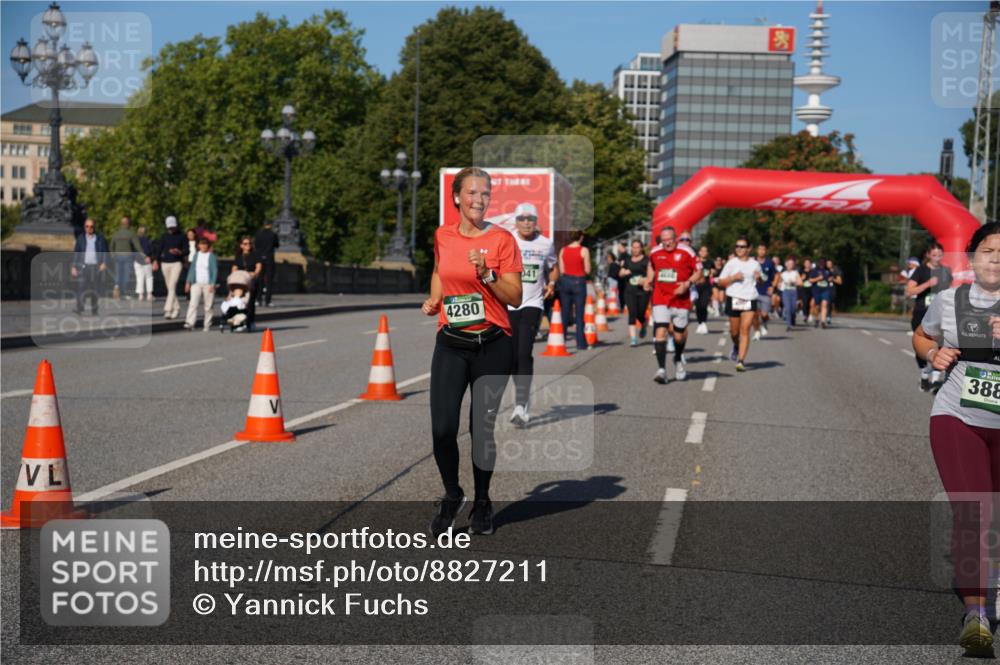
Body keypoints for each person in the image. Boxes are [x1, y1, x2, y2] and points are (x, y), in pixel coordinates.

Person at [911, 222, 1000, 658]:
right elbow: (922, 335)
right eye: (989, 250)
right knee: (973, 513)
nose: (996, 259)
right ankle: (976, 615)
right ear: (971, 257)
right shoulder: (949, 300)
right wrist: (933, 353)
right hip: (958, 417)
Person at [421, 167, 522, 537]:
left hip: (492, 345)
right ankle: (453, 494)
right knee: (442, 429)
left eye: (485, 193)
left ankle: (482, 501)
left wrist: (488, 274)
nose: (479, 199)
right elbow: (439, 270)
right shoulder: (443, 235)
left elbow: (515, 297)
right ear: (456, 197)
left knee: (480, 429)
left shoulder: (502, 240)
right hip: (451, 343)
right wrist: (435, 299)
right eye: (472, 193)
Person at [507, 203, 558, 428]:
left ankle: (520, 404)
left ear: (536, 221)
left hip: (533, 303)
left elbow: (554, 267)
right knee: (511, 357)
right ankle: (522, 398)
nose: (526, 222)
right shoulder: (508, 240)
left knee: (523, 353)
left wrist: (552, 283)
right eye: (522, 219)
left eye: (530, 219)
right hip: (509, 303)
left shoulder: (546, 243)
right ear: (516, 221)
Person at [646, 226, 701, 383]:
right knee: (660, 332)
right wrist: (649, 279)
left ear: (675, 238)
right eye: (664, 240)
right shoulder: (655, 252)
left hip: (680, 299)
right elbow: (651, 266)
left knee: (679, 336)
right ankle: (661, 370)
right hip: (661, 297)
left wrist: (687, 284)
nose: (667, 243)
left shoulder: (687, 251)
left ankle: (677, 359)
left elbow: (698, 272)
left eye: (669, 240)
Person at [907, 242, 954, 392]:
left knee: (942, 344)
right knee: (921, 343)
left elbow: (950, 290)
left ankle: (935, 378)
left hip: (941, 315)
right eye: (934, 255)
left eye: (939, 255)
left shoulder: (946, 271)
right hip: (922, 312)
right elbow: (909, 291)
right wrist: (928, 284)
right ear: (928, 255)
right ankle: (924, 373)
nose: (937, 258)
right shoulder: (920, 270)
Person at [718, 236, 762, 372]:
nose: (739, 249)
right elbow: (720, 282)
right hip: (734, 297)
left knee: (745, 329)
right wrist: (733, 277)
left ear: (749, 249)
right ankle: (736, 346)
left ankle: (741, 361)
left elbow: (760, 281)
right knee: (734, 332)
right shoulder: (731, 263)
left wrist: (759, 278)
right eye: (737, 246)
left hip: (749, 298)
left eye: (742, 246)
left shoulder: (755, 264)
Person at [558, 229, 591, 351]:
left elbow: (561, 269)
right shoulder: (584, 250)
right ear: (581, 237)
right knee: (579, 314)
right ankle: (581, 343)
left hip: (565, 281)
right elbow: (587, 269)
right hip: (579, 281)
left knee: (565, 313)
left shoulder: (563, 250)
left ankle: (561, 340)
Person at [71, 218, 107, 315]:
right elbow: (77, 253)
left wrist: (104, 263)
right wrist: (74, 266)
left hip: (96, 267)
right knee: (81, 288)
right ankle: (80, 308)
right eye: (87, 226)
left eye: (91, 226)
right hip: (84, 267)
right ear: (84, 227)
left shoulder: (100, 238)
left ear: (94, 227)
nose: (89, 228)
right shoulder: (81, 238)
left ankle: (94, 309)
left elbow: (104, 251)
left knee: (94, 289)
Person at [154, 216, 187, 319]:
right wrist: (155, 261)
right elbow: (159, 249)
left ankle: (167, 309)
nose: (171, 229)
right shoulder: (164, 236)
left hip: (176, 263)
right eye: (169, 227)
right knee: (169, 287)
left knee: (172, 285)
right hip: (165, 264)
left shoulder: (182, 236)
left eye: (173, 227)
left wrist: (179, 252)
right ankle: (176, 308)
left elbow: (187, 250)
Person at [619, 239, 650, 347]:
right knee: (632, 313)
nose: (635, 249)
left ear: (641, 248)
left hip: (643, 291)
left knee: (640, 313)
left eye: (637, 247)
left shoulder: (647, 260)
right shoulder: (627, 260)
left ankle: (644, 324)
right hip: (629, 291)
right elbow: (620, 273)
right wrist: (624, 272)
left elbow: (651, 275)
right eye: (633, 247)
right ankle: (633, 338)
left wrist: (645, 280)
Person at [184, 237, 217, 331]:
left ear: (208, 246)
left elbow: (214, 270)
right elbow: (192, 269)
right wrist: (188, 282)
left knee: (208, 305)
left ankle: (207, 324)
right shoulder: (196, 255)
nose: (203, 246)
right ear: (198, 245)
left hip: (208, 283)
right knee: (193, 303)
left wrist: (213, 283)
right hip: (196, 283)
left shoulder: (211, 256)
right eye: (201, 244)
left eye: (205, 244)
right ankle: (190, 322)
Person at [108, 216, 142, 300]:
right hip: (128, 256)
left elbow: (111, 246)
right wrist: (144, 254)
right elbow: (137, 246)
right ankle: (124, 292)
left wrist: (113, 255)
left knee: (118, 274)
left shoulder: (116, 234)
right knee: (126, 275)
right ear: (128, 224)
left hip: (117, 256)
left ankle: (117, 287)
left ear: (121, 224)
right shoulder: (131, 234)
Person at [233, 236, 263, 330]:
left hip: (251, 280)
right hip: (240, 282)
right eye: (245, 244)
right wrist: (234, 275)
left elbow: (258, 267)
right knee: (239, 302)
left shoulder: (255, 254)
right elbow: (234, 268)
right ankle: (239, 322)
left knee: (250, 303)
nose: (248, 245)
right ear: (241, 245)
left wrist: (255, 273)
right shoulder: (238, 256)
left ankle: (250, 321)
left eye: (249, 243)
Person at [753, 243, 777, 340]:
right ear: (757, 250)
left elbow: (777, 275)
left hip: (765, 292)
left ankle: (764, 323)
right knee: (754, 314)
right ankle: (757, 331)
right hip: (753, 292)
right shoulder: (752, 262)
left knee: (764, 314)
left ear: (766, 251)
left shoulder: (770, 263)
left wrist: (773, 287)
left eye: (763, 249)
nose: (761, 251)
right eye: (760, 249)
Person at [254, 220, 279, 307]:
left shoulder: (258, 234)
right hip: (269, 258)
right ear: (270, 225)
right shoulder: (273, 234)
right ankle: (268, 301)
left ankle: (258, 299)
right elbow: (276, 245)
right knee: (269, 280)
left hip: (260, 258)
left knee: (259, 279)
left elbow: (256, 245)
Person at [775, 256, 803, 331]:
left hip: (793, 292)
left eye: (792, 264)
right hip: (786, 292)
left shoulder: (795, 273)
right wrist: (779, 285)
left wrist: (793, 282)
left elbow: (800, 283)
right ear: (786, 264)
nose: (790, 265)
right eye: (789, 263)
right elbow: (778, 283)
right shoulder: (783, 274)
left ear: (794, 265)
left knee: (793, 309)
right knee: (787, 308)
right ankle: (789, 325)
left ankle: (793, 318)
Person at [808, 258, 834, 328]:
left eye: (824, 262)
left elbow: (831, 278)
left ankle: (823, 321)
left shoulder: (828, 271)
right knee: (817, 306)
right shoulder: (815, 270)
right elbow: (810, 280)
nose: (822, 264)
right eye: (821, 262)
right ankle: (817, 319)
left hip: (825, 290)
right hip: (816, 291)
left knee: (824, 305)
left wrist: (831, 279)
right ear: (819, 263)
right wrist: (818, 278)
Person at [694, 245, 714, 335]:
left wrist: (712, 273)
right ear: (699, 252)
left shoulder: (710, 262)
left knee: (704, 304)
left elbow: (713, 272)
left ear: (708, 253)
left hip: (706, 286)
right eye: (702, 251)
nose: (703, 252)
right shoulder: (695, 261)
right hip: (697, 286)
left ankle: (704, 322)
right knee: (698, 305)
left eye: (705, 251)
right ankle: (700, 323)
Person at [133, 225, 155, 301]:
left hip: (138, 261)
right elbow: (151, 250)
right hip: (147, 261)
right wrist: (149, 257)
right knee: (149, 277)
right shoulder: (148, 240)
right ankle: (149, 294)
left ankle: (140, 295)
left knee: (139, 278)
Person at [826, 259, 843, 324]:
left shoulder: (836, 270)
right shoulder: (823, 270)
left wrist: (833, 279)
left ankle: (828, 316)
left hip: (832, 288)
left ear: (832, 264)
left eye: (830, 264)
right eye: (827, 264)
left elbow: (840, 282)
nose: (828, 265)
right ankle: (825, 316)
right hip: (823, 288)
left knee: (829, 302)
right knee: (825, 302)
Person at [799, 258, 814, 324]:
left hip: (812, 288)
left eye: (808, 263)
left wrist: (813, 280)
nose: (807, 264)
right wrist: (802, 278)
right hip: (804, 289)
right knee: (805, 302)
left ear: (811, 264)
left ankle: (810, 314)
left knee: (812, 303)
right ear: (804, 264)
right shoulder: (801, 271)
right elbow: (798, 280)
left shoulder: (813, 271)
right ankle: (805, 315)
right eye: (806, 263)